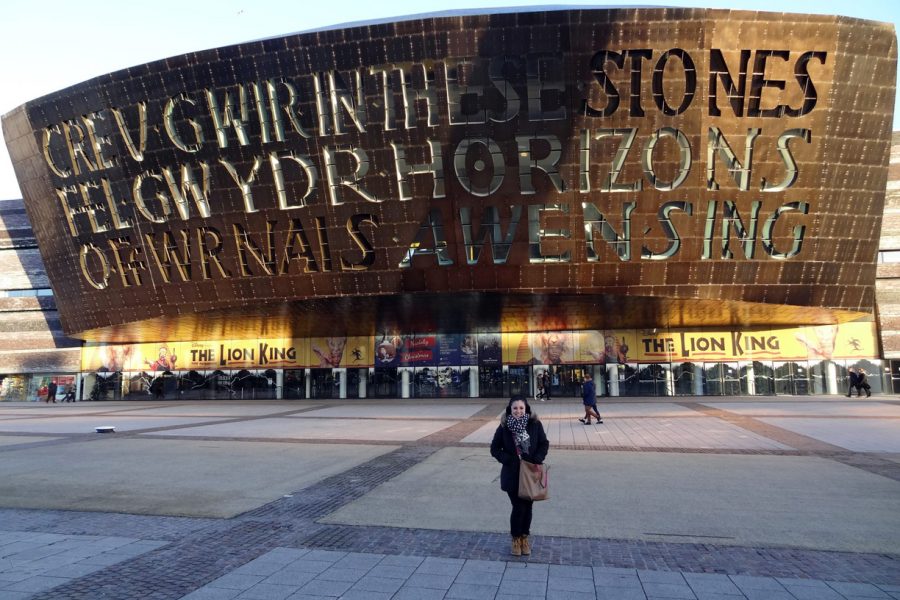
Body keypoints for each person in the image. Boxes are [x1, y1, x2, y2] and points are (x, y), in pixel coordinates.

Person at [490, 395, 549, 557]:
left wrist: (537, 458)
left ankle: (524, 537)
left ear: (526, 409)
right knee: (518, 507)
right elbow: (494, 449)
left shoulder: (534, 424)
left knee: (528, 507)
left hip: (530, 473)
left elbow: (544, 443)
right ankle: (516, 539)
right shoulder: (504, 426)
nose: (518, 411)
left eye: (521, 408)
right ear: (510, 409)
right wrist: (508, 459)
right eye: (515, 408)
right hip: (512, 473)